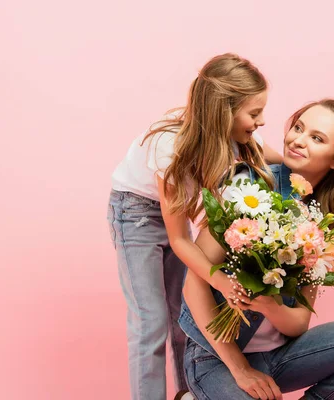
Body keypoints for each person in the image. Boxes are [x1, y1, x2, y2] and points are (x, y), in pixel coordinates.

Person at [180, 99, 334, 400]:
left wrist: (271, 307)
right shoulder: (250, 188)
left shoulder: (322, 223)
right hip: (217, 357)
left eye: (316, 138)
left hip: (281, 358)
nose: (298, 140)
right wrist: (241, 369)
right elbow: (193, 285)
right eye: (298, 128)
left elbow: (298, 324)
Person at [108, 53, 281, 400]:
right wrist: (219, 278)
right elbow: (179, 240)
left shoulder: (237, 138)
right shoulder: (170, 145)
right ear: (224, 110)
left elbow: (282, 163)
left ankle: (188, 394)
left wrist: (323, 161)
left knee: (180, 318)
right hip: (136, 213)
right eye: (254, 112)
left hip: (174, 214)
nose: (261, 121)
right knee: (151, 320)